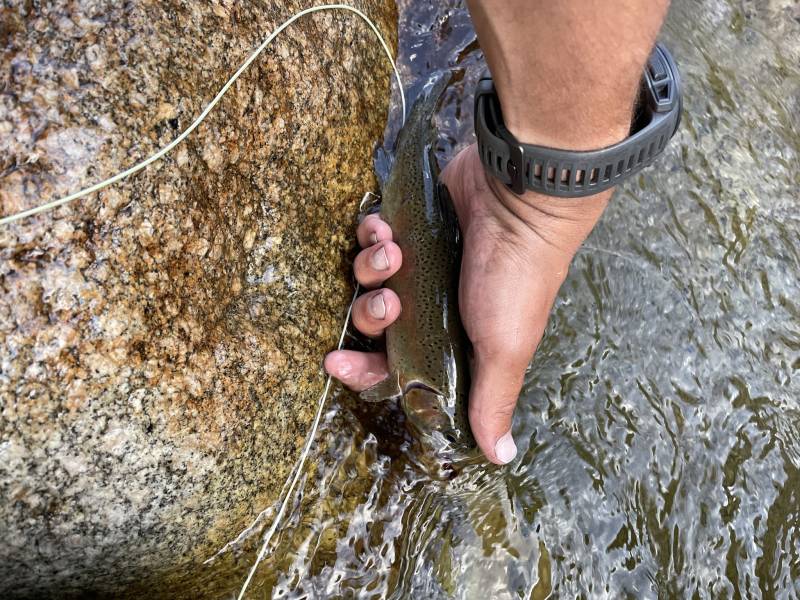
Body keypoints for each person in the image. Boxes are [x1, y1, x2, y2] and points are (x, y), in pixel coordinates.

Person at [324, 0, 671, 464]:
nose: (437, 438)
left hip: (435, 212)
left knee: (384, 257)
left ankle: (422, 110)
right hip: (428, 207)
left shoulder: (420, 380)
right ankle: (422, 106)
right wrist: (534, 212)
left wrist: (525, 207)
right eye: (442, 431)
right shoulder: (420, 389)